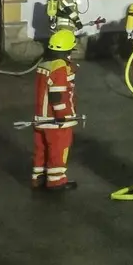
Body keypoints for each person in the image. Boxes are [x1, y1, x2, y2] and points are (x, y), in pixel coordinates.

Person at [32, 29, 80, 191]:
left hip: (40, 116)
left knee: (41, 149)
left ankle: (38, 177)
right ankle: (56, 181)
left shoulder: (44, 63)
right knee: (58, 149)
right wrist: (63, 115)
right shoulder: (59, 67)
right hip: (55, 120)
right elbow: (57, 95)